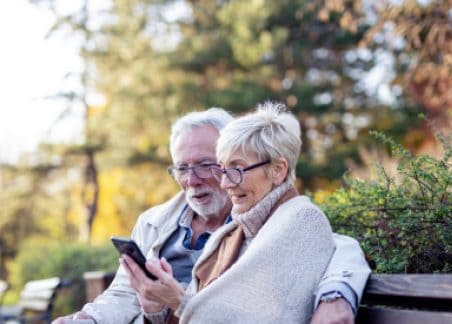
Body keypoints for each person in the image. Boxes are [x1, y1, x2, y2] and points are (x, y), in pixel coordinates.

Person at [53, 107, 370, 324]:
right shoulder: (154, 221)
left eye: (206, 165)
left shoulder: (258, 212)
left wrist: (336, 295)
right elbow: (124, 294)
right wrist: (90, 318)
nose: (192, 179)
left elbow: (333, 244)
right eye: (182, 168)